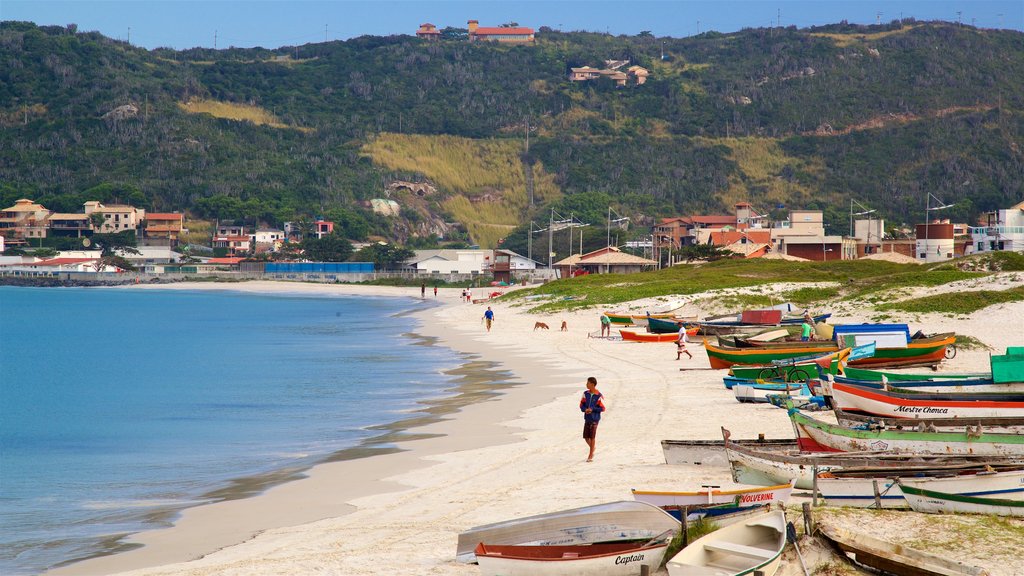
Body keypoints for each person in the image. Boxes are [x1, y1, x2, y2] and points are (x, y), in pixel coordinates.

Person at [579, 377, 605, 462]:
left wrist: (592, 409)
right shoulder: (585, 393)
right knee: (586, 437)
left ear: (592, 384)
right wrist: (585, 409)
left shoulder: (598, 396)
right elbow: (581, 405)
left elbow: (602, 408)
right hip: (587, 418)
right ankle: (593, 448)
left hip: (595, 419)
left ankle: (590, 455)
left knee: (592, 437)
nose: (586, 384)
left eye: (588, 383)